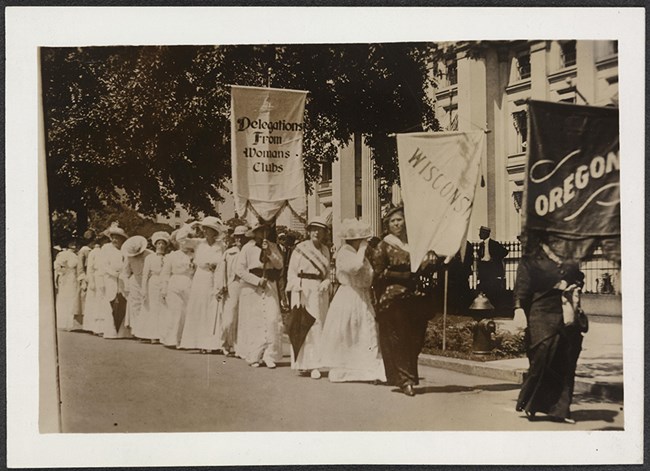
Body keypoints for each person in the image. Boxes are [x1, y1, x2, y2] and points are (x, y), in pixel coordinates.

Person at [514, 233, 586, 424]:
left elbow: (578, 276)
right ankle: (532, 403)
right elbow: (521, 286)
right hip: (540, 311)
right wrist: (519, 310)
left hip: (564, 309)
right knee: (543, 354)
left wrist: (574, 285)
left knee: (565, 356)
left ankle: (560, 410)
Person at [371, 206, 438, 396]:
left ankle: (407, 376)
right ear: (388, 225)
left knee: (415, 340)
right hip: (393, 299)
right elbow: (378, 274)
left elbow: (425, 268)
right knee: (399, 338)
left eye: (399, 220)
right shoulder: (384, 246)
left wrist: (431, 262)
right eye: (392, 221)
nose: (396, 224)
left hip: (416, 298)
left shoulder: (415, 244)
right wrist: (403, 275)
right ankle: (405, 380)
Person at [319, 219, 386, 383]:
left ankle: (368, 368)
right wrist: (362, 250)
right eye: (361, 240)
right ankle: (345, 369)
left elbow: (368, 273)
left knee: (364, 331)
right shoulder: (345, 253)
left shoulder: (359, 255)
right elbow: (354, 268)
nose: (364, 243)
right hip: (349, 295)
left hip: (361, 295)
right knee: (348, 331)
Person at [286, 216, 331, 379]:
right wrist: (296, 285)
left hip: (319, 290)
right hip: (302, 289)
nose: (317, 233)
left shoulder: (325, 250)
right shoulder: (300, 248)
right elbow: (291, 272)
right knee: (302, 324)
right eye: (314, 229)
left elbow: (327, 273)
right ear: (309, 231)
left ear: (325, 233)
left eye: (320, 230)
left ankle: (315, 364)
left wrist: (326, 282)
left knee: (317, 324)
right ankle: (302, 363)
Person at [235, 222, 284, 368]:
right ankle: (255, 355)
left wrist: (269, 252)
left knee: (272, 319)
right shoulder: (247, 248)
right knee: (255, 321)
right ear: (254, 233)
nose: (263, 234)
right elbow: (240, 270)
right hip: (254, 287)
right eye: (259, 231)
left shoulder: (273, 246)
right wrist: (256, 281)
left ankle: (270, 355)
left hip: (269, 285)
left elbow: (279, 265)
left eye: (265, 231)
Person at [179, 217, 227, 353]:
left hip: (215, 277)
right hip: (201, 277)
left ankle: (213, 343)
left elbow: (224, 261)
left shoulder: (221, 245)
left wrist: (217, 267)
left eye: (208, 229)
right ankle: (200, 343)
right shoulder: (198, 243)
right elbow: (180, 239)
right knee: (200, 308)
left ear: (214, 231)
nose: (205, 231)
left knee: (213, 309)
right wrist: (191, 226)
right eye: (204, 229)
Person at [159, 225, 198, 348]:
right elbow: (165, 273)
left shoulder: (194, 255)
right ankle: (171, 339)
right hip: (174, 283)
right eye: (182, 241)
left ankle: (184, 340)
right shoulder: (172, 256)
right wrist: (164, 289)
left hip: (189, 284)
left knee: (187, 312)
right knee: (175, 311)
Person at [215, 225, 249, 356]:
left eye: (242, 237)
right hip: (232, 285)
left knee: (243, 317)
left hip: (247, 286)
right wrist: (221, 286)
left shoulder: (250, 251)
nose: (239, 239)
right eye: (237, 237)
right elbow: (221, 271)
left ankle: (239, 346)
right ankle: (225, 343)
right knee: (229, 316)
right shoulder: (229, 253)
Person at [98, 223, 131, 339]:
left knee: (122, 300)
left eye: (118, 237)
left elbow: (127, 264)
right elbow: (103, 265)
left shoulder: (124, 251)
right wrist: (113, 273)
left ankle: (121, 330)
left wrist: (123, 274)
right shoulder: (106, 248)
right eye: (114, 237)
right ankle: (109, 330)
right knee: (110, 301)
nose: (115, 240)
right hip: (109, 278)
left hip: (121, 278)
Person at [139, 231, 171, 343]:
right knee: (153, 308)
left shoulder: (168, 257)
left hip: (165, 283)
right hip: (153, 283)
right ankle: (153, 334)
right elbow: (145, 275)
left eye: (163, 244)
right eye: (159, 244)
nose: (161, 246)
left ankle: (163, 335)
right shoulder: (150, 258)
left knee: (164, 308)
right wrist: (143, 289)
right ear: (155, 245)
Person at [122, 235, 153, 340]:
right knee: (135, 306)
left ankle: (146, 330)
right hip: (135, 282)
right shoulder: (129, 257)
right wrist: (126, 286)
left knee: (147, 306)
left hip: (148, 282)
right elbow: (125, 273)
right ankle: (136, 330)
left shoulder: (150, 254)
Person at [82, 233, 109, 334]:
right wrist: (91, 281)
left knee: (101, 302)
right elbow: (90, 268)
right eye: (103, 241)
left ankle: (101, 327)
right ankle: (92, 326)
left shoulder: (106, 252)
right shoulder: (94, 252)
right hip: (96, 278)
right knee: (94, 302)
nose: (104, 243)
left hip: (103, 278)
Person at [476, 225, 509, 307]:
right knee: (484, 288)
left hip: (491, 268)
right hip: (484, 268)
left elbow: (505, 252)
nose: (479, 235)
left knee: (492, 288)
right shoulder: (480, 245)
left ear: (485, 234)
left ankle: (494, 305)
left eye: (480, 233)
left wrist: (495, 259)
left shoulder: (494, 244)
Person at [53, 238, 81, 331]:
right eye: (72, 244)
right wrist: (64, 271)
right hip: (69, 277)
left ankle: (67, 322)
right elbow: (59, 266)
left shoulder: (63, 254)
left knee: (67, 298)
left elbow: (57, 266)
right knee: (69, 297)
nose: (74, 246)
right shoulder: (69, 255)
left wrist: (62, 271)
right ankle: (66, 323)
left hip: (69, 277)